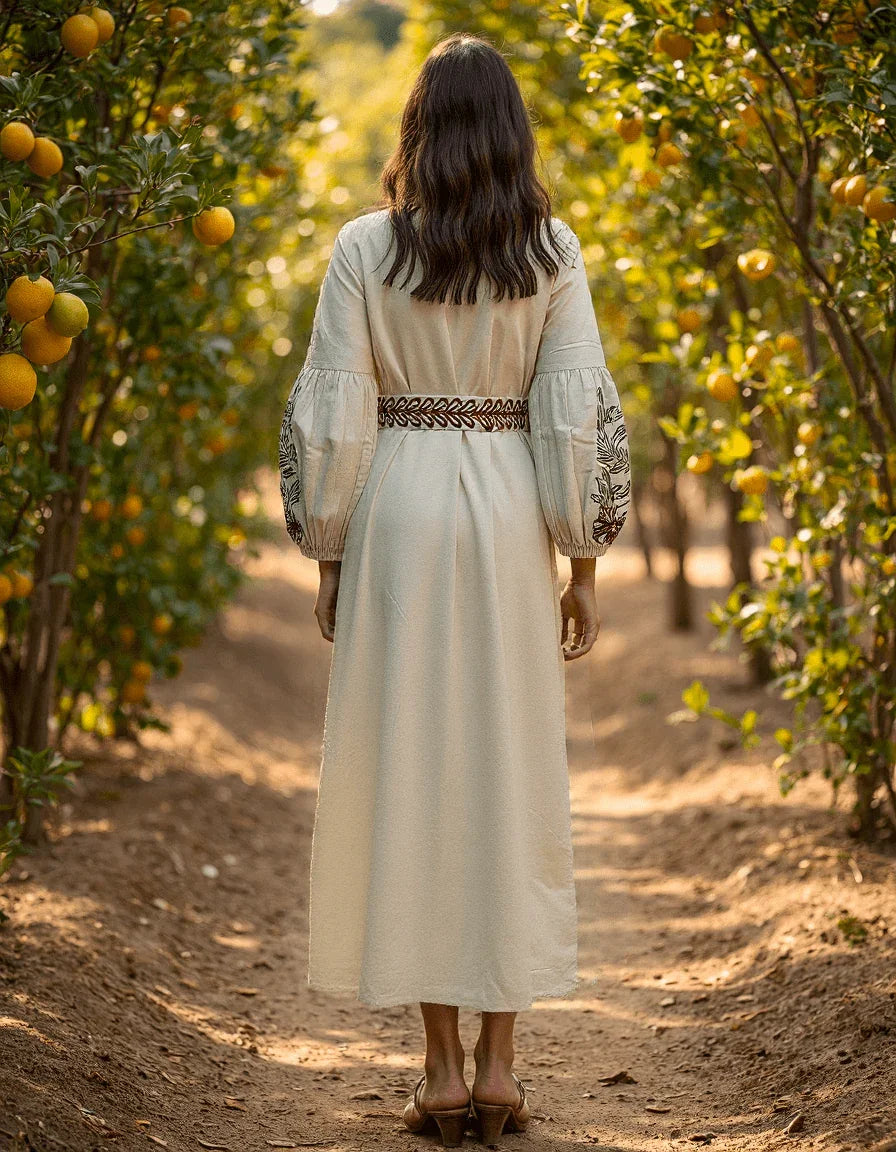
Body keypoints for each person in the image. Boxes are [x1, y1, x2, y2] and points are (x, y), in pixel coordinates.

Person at [278, 31, 631, 1148]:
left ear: (416, 129)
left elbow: (335, 405)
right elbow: (573, 408)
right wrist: (579, 561)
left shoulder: (361, 249)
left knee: (418, 776)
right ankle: (502, 1069)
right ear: (512, 133)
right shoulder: (551, 249)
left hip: (400, 514)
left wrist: (329, 549)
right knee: (505, 773)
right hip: (508, 519)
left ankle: (434, 1069)